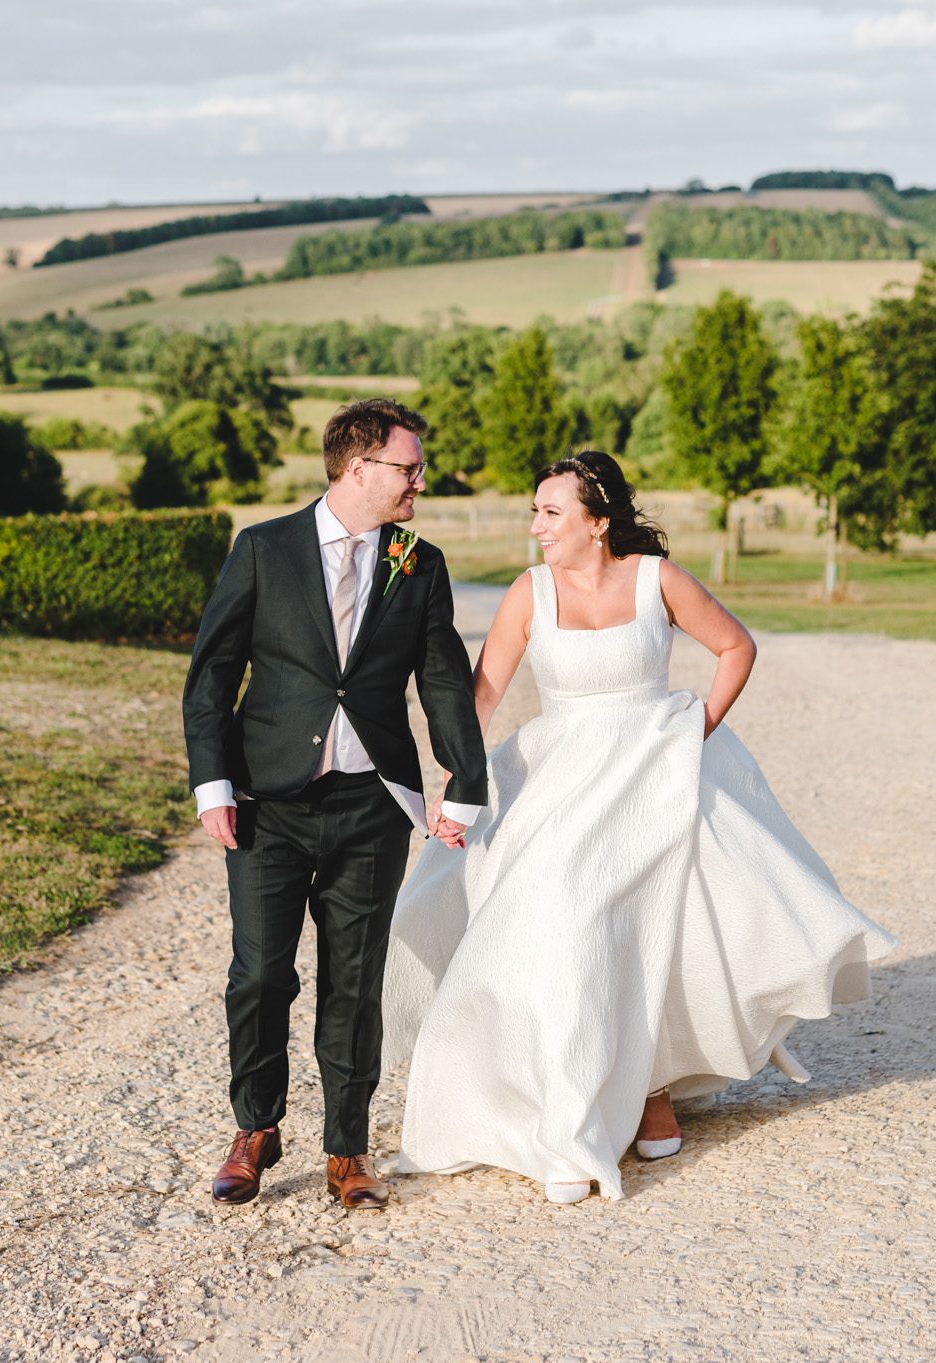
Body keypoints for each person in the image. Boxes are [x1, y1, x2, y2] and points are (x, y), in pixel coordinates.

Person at [383, 451, 896, 1204]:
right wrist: (461, 783)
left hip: (652, 768)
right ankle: (564, 1112)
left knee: (661, 919)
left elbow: (735, 647)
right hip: (561, 777)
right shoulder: (530, 592)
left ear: (598, 520)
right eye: (535, 510)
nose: (536, 525)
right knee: (563, 921)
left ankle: (653, 1086)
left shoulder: (660, 578)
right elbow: (481, 696)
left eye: (550, 512)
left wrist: (699, 730)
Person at [182, 398, 489, 1210]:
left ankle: (346, 1147)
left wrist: (466, 782)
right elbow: (212, 673)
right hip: (267, 802)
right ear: (358, 468)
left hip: (372, 808)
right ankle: (255, 1127)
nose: (420, 480)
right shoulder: (263, 549)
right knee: (259, 974)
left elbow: (445, 680)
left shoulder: (419, 564)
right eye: (408, 467)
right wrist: (212, 780)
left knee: (354, 982)